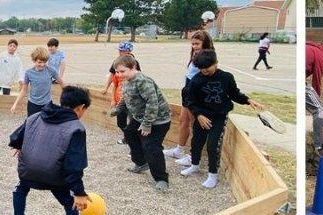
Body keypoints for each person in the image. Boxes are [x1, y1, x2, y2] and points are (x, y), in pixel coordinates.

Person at [4, 85, 96, 215]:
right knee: (71, 205)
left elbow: (15, 138)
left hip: (28, 170)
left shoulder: (36, 116)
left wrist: (20, 145)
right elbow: (74, 165)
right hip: (55, 176)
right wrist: (79, 192)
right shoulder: (76, 128)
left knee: (21, 189)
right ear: (81, 108)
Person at [180, 50, 265, 190]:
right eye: (201, 70)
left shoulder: (226, 77)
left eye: (207, 69)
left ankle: (212, 174)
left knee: (213, 145)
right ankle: (194, 165)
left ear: (216, 64)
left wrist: (249, 100)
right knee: (196, 141)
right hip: (202, 116)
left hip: (219, 116)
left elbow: (234, 94)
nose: (204, 72)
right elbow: (190, 101)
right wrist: (199, 115)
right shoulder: (196, 80)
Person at [112, 55, 172, 192]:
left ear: (133, 67)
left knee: (150, 146)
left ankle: (161, 179)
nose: (119, 74)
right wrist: (117, 110)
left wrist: (146, 124)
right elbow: (125, 98)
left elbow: (152, 103)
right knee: (129, 133)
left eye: (122, 71)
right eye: (117, 72)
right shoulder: (128, 80)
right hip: (140, 118)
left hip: (158, 121)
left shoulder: (143, 81)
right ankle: (141, 163)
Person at [164, 30, 212, 166]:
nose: (194, 46)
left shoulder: (207, 57)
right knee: (183, 121)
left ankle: (193, 156)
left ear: (205, 43)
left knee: (194, 125)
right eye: (192, 44)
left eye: (197, 44)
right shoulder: (195, 55)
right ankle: (179, 149)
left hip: (195, 94)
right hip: (188, 91)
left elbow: (208, 76)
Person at [102, 41, 137, 142]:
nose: (120, 52)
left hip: (130, 98)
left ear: (128, 52)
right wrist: (107, 89)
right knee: (120, 122)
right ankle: (128, 138)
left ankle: (132, 141)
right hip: (119, 97)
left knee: (132, 122)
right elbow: (113, 78)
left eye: (122, 51)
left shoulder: (134, 63)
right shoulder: (116, 61)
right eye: (119, 50)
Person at [11, 46, 61, 117]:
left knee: (46, 124)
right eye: (39, 62)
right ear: (34, 60)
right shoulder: (28, 73)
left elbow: (61, 82)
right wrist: (15, 104)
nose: (42, 65)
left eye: (44, 62)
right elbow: (24, 90)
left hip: (47, 104)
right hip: (33, 104)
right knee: (32, 124)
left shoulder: (51, 71)